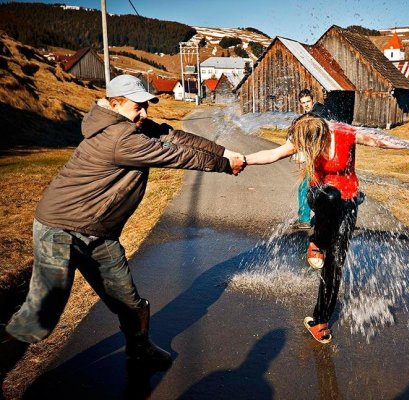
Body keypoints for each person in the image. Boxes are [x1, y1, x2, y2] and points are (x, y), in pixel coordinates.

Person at [0, 74, 246, 382]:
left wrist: (224, 152)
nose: (144, 113)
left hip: (99, 230)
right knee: (42, 316)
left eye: (145, 106)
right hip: (60, 228)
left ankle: (139, 350)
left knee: (130, 302)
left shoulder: (134, 126)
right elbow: (172, 154)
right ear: (115, 104)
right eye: (137, 107)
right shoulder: (119, 138)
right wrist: (223, 165)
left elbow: (177, 138)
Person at [245, 114, 408, 343]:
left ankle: (319, 319)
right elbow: (273, 154)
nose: (307, 151)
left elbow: (380, 141)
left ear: (323, 134)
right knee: (331, 195)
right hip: (319, 194)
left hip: (349, 199)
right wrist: (242, 160)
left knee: (336, 261)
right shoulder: (306, 134)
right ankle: (317, 242)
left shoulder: (344, 133)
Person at [292, 89, 331, 230]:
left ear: (312, 100)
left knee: (305, 187)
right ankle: (321, 217)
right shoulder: (310, 114)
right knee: (316, 187)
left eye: (308, 101)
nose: (306, 105)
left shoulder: (318, 112)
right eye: (303, 103)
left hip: (317, 157)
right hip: (316, 156)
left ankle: (304, 219)